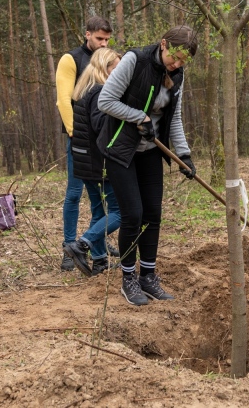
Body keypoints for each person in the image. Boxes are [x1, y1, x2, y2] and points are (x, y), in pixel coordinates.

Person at [97, 26, 198, 306]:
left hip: (152, 150)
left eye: (183, 61)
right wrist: (137, 117)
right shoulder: (135, 61)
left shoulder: (178, 74)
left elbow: (173, 117)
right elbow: (106, 101)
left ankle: (148, 276)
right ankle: (128, 278)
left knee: (152, 214)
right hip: (121, 149)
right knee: (133, 214)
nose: (176, 65)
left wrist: (184, 155)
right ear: (163, 44)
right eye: (174, 58)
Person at [55, 16, 113, 271]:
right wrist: (73, 133)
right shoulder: (71, 59)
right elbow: (63, 100)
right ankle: (69, 247)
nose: (103, 43)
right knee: (74, 193)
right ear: (87, 34)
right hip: (79, 139)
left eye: (108, 40)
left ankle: (95, 242)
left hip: (100, 140)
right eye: (99, 38)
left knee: (98, 197)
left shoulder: (107, 60)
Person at [63, 48, 122, 277]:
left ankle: (99, 261)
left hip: (84, 164)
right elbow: (102, 130)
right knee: (120, 212)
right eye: (115, 68)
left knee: (98, 211)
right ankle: (81, 244)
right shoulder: (99, 92)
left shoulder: (84, 90)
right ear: (103, 68)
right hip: (99, 165)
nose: (118, 73)